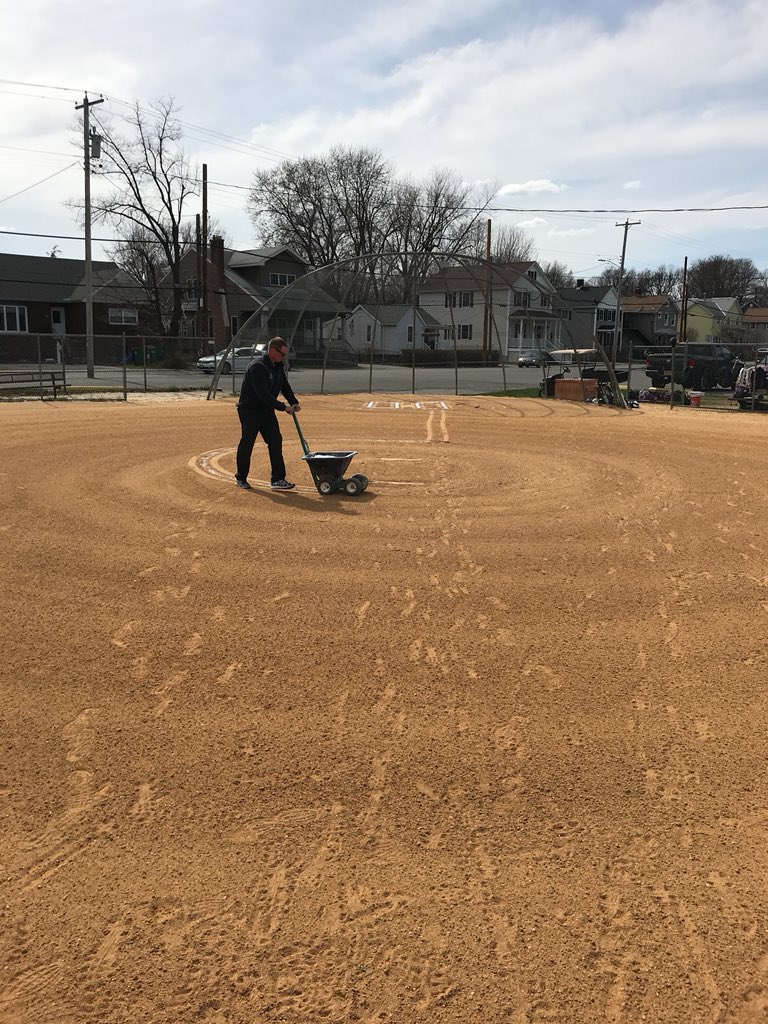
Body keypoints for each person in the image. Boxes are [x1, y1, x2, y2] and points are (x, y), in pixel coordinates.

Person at [234, 337, 301, 491]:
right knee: (248, 441)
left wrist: (293, 402)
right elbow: (263, 394)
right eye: (282, 354)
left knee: (275, 440)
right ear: (272, 351)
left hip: (266, 410)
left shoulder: (277, 366)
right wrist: (283, 407)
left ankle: (278, 479)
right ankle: (241, 477)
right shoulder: (258, 367)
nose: (283, 357)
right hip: (250, 410)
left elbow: (284, 386)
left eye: (285, 355)